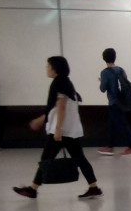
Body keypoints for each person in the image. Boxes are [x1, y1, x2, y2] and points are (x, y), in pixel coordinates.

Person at [12, 56, 100, 200]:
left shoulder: (60, 83)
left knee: (47, 158)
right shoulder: (65, 82)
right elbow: (55, 107)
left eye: (48, 66)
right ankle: (94, 187)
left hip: (62, 130)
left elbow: (61, 106)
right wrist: (42, 120)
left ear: (55, 69)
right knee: (79, 158)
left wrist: (58, 129)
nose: (47, 69)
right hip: (69, 129)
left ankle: (33, 189)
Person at [97, 48, 131, 156]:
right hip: (122, 101)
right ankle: (109, 146)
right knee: (111, 124)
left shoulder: (105, 72)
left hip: (114, 102)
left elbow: (103, 89)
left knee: (123, 125)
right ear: (115, 57)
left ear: (104, 58)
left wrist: (101, 81)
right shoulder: (121, 70)